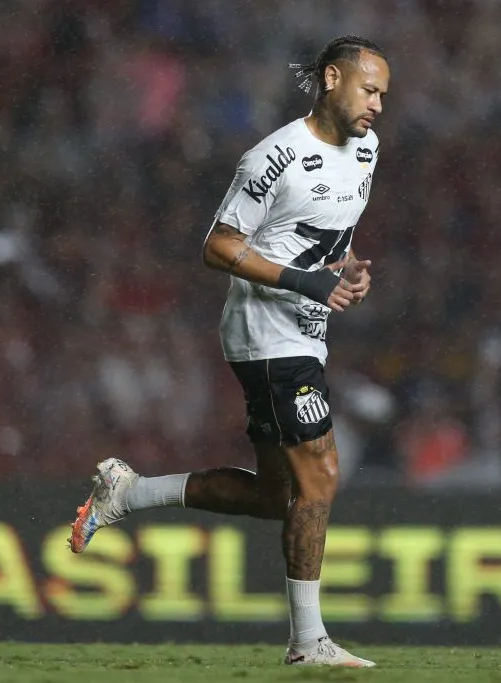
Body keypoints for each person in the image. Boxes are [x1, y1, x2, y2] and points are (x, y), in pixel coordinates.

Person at [68, 35, 389, 668]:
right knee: (321, 474)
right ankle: (308, 643)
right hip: (265, 333)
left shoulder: (367, 148)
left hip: (306, 331)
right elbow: (218, 246)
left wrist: (346, 269)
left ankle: (127, 492)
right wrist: (307, 283)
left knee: (280, 496)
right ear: (332, 79)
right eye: (369, 89)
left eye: (383, 94)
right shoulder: (274, 157)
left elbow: (324, 234)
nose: (378, 105)